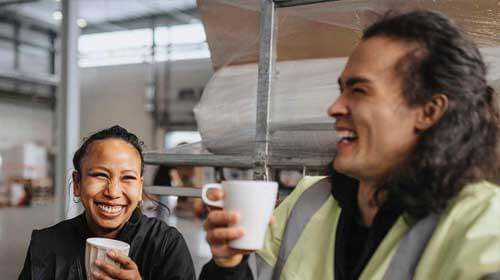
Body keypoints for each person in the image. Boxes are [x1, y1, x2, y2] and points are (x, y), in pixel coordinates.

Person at [199, 10, 500, 280]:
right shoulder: (309, 202)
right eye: (341, 90)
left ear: (428, 111)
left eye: (359, 90)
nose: (334, 107)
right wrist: (229, 266)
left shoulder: (482, 224)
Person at [19, 125, 196, 280]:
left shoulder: (166, 245)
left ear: (140, 187)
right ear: (77, 183)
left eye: (127, 178)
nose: (112, 192)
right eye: (100, 175)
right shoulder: (45, 244)